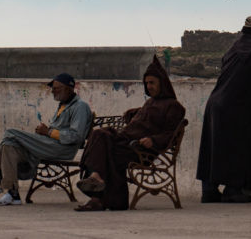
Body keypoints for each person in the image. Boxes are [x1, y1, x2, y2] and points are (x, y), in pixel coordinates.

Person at [74, 55, 186, 211]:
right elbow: (144, 119)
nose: (149, 86)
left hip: (140, 149)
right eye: (146, 83)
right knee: (100, 135)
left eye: (152, 83)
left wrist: (153, 140)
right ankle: (99, 186)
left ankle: (97, 189)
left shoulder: (173, 106)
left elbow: (170, 133)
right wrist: (135, 113)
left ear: (162, 83)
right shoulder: (150, 102)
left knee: (106, 148)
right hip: (124, 140)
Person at [196, 15, 251, 203]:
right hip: (235, 105)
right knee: (236, 147)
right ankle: (233, 190)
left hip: (215, 101)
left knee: (212, 147)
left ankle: (209, 190)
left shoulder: (233, 49)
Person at [0, 73, 91, 206]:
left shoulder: (80, 106)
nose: (53, 91)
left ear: (69, 89)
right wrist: (44, 133)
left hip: (62, 149)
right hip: (49, 145)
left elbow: (76, 136)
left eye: (57, 88)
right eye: (53, 88)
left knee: (10, 133)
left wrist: (49, 132)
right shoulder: (62, 105)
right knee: (9, 145)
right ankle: (13, 194)